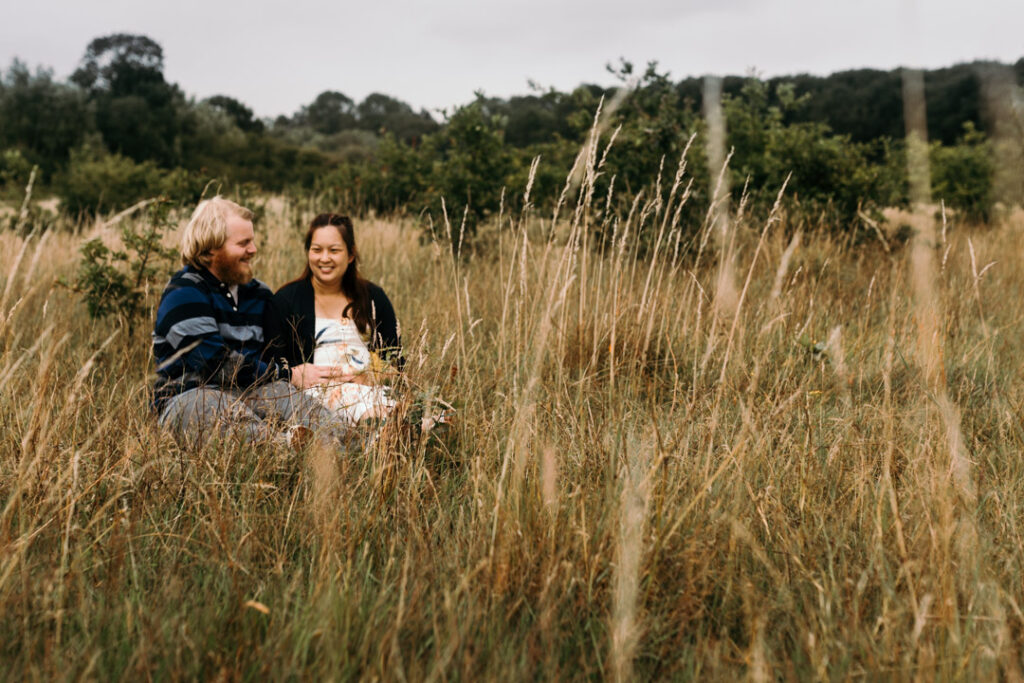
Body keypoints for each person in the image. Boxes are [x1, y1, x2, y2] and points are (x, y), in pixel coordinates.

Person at [152, 197, 353, 448]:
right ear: (212, 247)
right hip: (189, 396)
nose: (253, 249)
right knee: (221, 415)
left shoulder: (258, 294)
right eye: (244, 243)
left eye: (253, 241)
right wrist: (287, 374)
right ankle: (290, 449)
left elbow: (276, 353)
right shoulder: (184, 292)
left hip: (252, 389)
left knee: (310, 412)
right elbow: (215, 364)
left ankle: (368, 443)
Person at [264, 213, 402, 426]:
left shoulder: (373, 297)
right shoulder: (286, 300)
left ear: (350, 255)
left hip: (373, 389)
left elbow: (396, 364)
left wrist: (372, 377)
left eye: (334, 250)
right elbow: (275, 366)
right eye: (316, 250)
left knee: (433, 416)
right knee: (378, 416)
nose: (324, 258)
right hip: (317, 396)